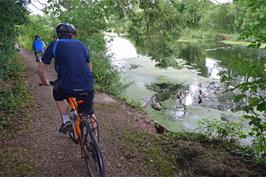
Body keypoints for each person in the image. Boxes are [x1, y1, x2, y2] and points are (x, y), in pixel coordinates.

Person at [37, 22, 96, 133]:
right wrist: (87, 78)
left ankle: (66, 121)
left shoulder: (55, 45)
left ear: (58, 35)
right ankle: (94, 137)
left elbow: (40, 70)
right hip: (87, 86)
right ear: (73, 35)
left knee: (57, 94)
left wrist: (45, 82)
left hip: (66, 86)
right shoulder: (82, 45)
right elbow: (89, 65)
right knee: (89, 113)